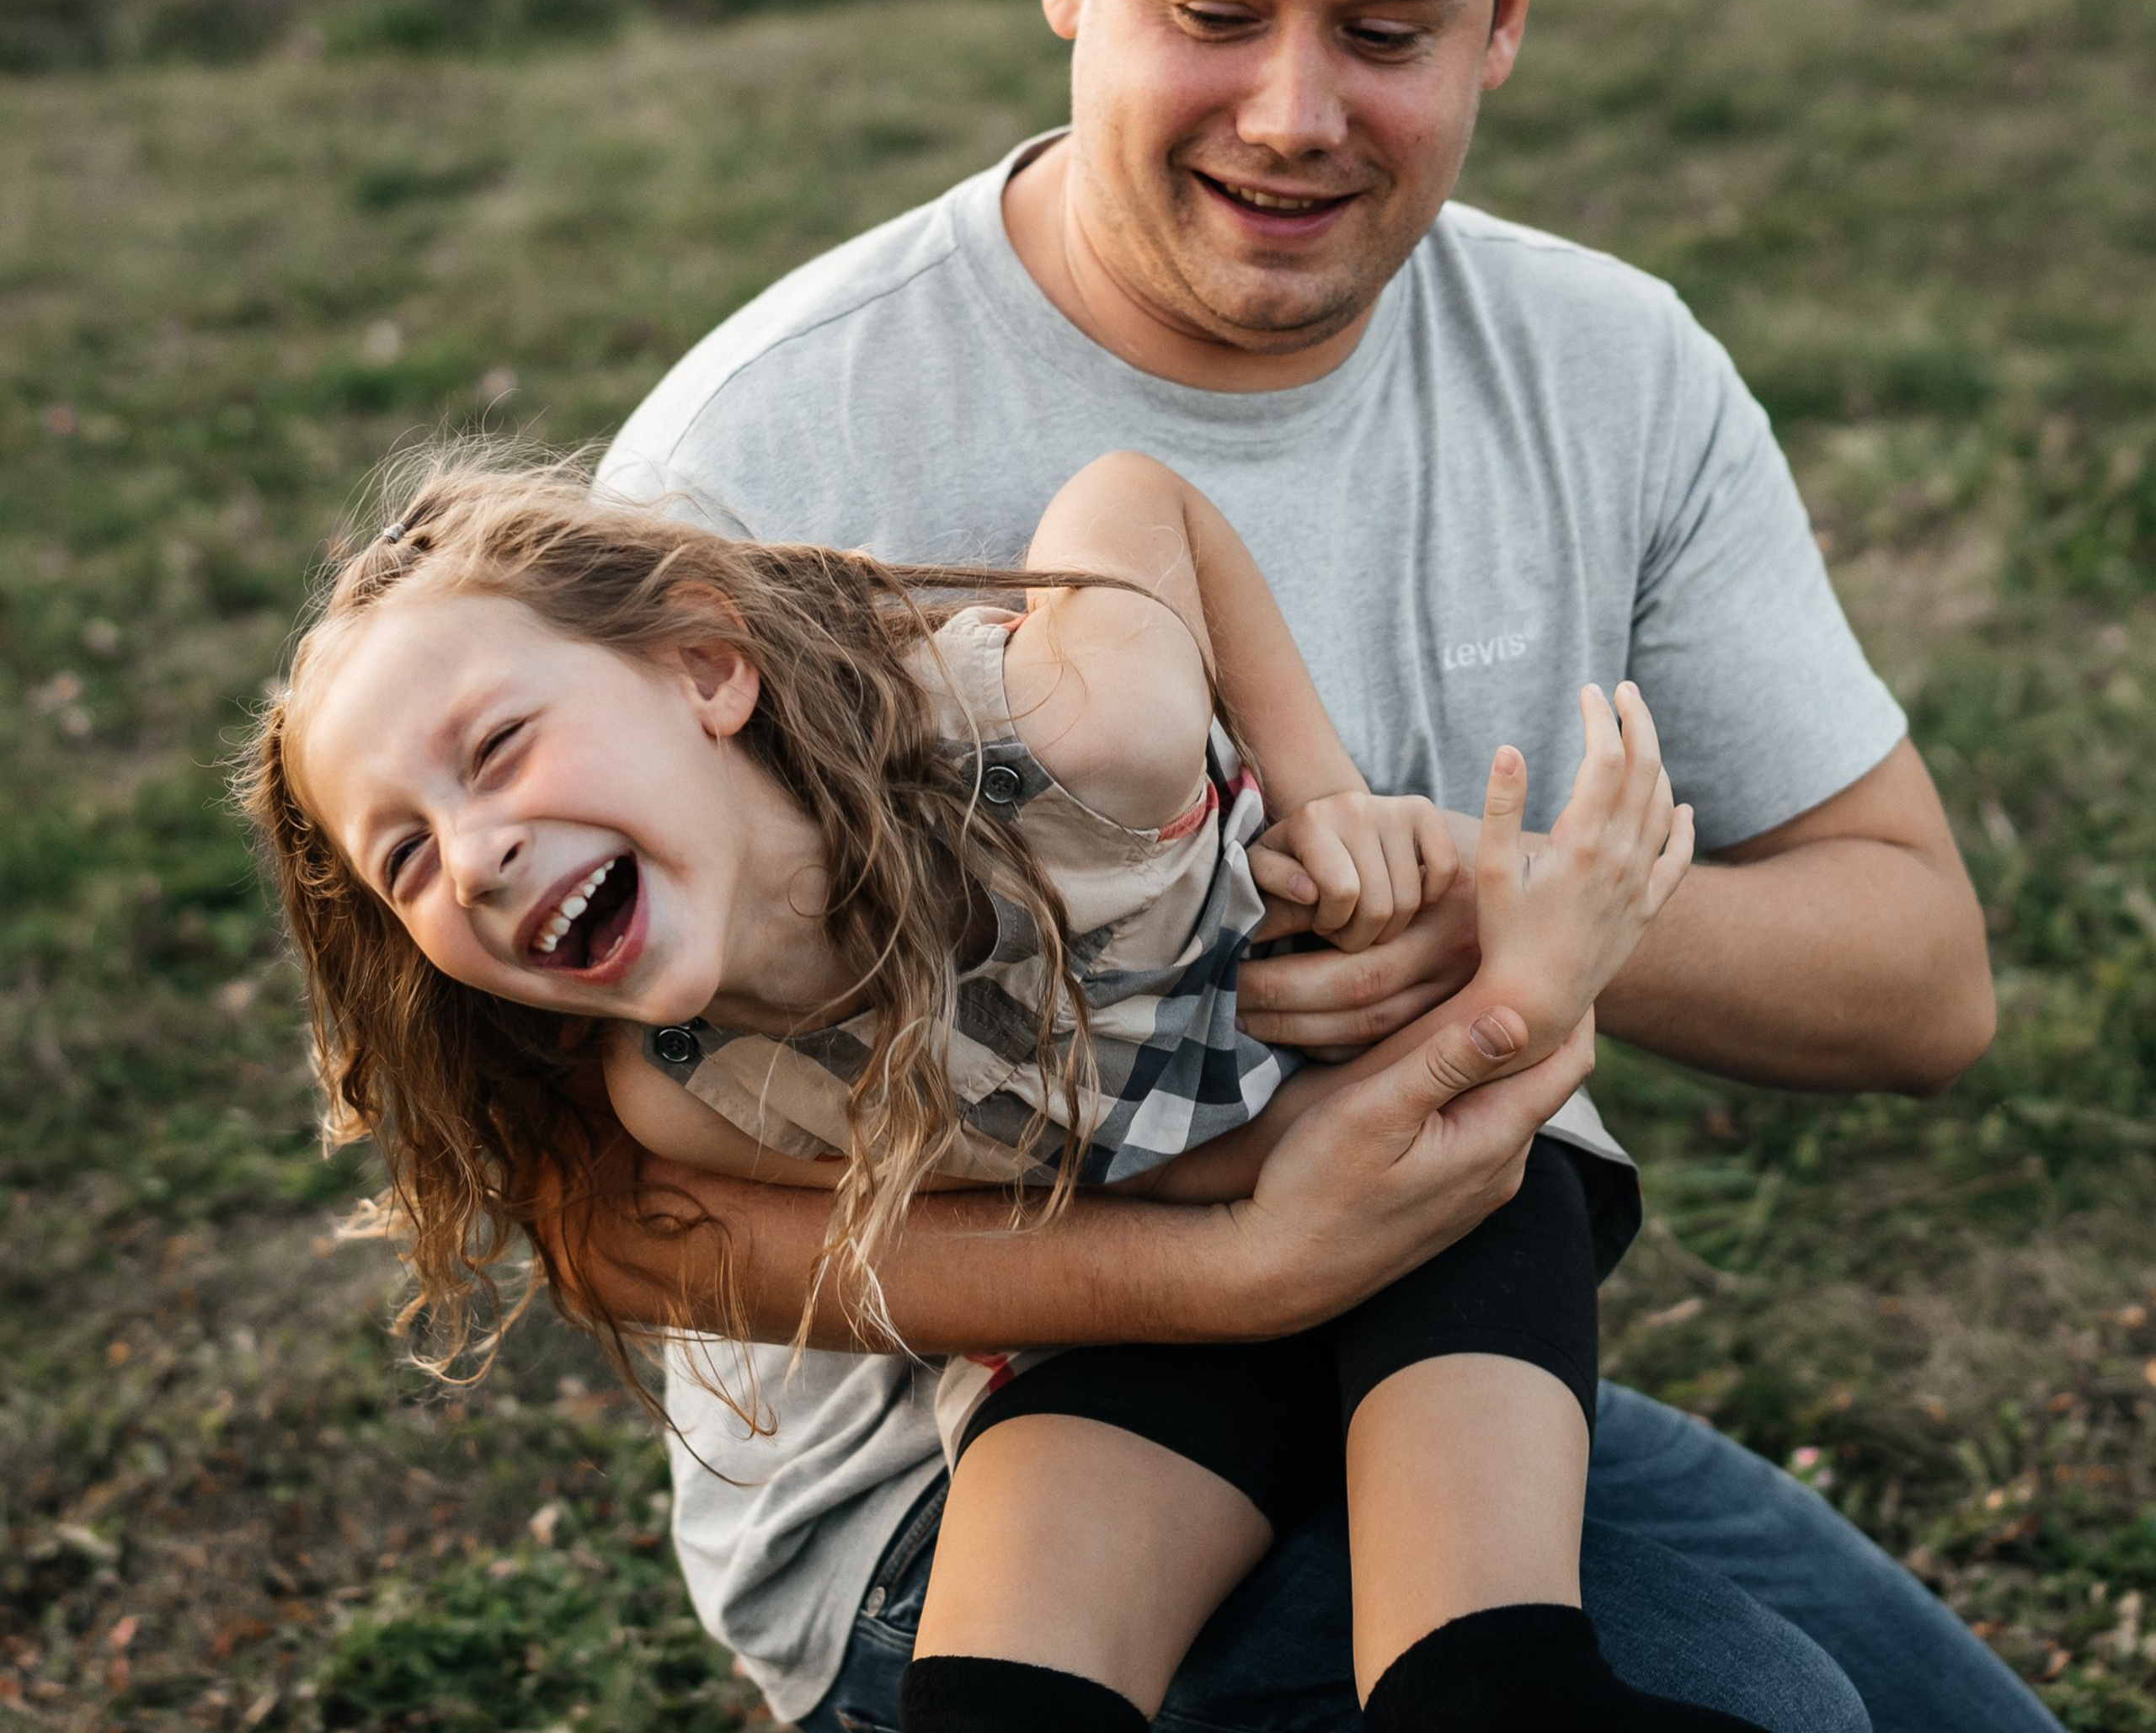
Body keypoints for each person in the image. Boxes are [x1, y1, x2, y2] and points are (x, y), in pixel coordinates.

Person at [573, 0, 2041, 1733]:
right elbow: (601, 1200)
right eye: (1213, 10)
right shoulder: (763, 461)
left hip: (1421, 1355)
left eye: (1383, 27)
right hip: (944, 1488)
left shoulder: (1606, 371)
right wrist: (1230, 1267)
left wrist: (1506, 915)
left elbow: (1921, 979)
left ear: (1503, 14)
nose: (1291, 113)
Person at [250, 443, 1732, 1730]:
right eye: (407, 858)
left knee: (1483, 1688)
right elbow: (1066, 1211)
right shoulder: (698, 1093)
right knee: (997, 1704)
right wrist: (1260, 1239)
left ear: (706, 666)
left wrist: (1350, 810)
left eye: (498, 748)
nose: (477, 849)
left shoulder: (1081, 738)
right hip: (1148, 1293)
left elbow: (1138, 494)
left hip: (1433, 1216)